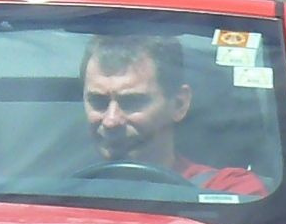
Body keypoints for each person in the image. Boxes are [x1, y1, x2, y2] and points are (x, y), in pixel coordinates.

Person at [80, 35, 268, 196]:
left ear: (179, 104)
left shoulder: (229, 192)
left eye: (132, 102)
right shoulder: (57, 189)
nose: (111, 120)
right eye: (98, 102)